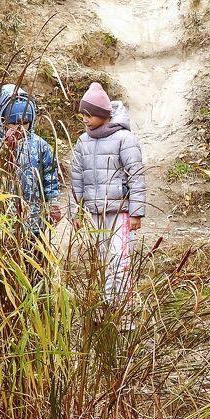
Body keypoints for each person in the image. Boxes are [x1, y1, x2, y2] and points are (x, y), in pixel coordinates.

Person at [69, 82, 146, 306]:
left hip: (119, 212)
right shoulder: (83, 141)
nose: (85, 119)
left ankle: (123, 310)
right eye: (83, 113)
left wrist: (136, 212)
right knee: (102, 261)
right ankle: (106, 307)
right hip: (95, 214)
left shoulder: (124, 139)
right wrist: (76, 211)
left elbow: (137, 175)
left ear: (103, 114)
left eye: (90, 114)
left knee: (119, 260)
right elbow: (76, 179)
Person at [0, 92, 62, 242]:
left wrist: (53, 204)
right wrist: (5, 150)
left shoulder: (40, 145)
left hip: (34, 218)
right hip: (3, 219)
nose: (20, 128)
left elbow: (50, 176)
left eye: (25, 123)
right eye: (14, 123)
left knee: (34, 255)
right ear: (2, 121)